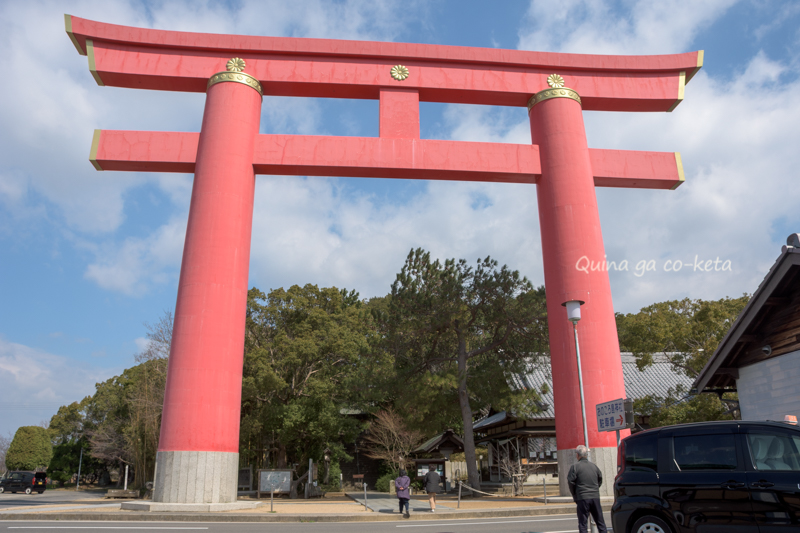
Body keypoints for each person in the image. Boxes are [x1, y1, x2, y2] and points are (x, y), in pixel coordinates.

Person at [567, 445, 608, 533]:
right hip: (595, 497)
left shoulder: (575, 467)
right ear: (587, 455)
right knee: (600, 522)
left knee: (583, 524)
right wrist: (595, 488)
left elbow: (570, 482)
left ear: (577, 455)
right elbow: (600, 479)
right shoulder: (594, 466)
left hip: (582, 497)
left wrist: (575, 494)